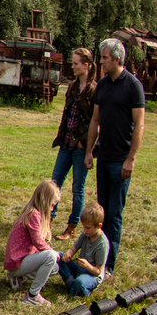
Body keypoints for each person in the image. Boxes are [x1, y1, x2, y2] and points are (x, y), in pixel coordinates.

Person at [83, 37, 146, 277]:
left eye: (105, 58)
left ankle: (108, 266)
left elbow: (139, 124)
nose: (101, 62)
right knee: (102, 212)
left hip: (121, 160)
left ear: (117, 59)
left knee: (115, 214)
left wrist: (131, 159)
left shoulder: (133, 86)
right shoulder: (102, 86)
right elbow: (95, 120)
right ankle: (97, 258)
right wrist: (90, 151)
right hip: (104, 158)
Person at [49, 47, 96, 240]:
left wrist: (88, 150)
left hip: (81, 147)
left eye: (76, 63)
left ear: (86, 65)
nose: (72, 66)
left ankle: (72, 226)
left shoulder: (94, 91)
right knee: (55, 182)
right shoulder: (73, 87)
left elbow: (95, 123)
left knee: (78, 187)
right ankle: (48, 220)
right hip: (66, 143)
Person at [5, 179, 62, 306]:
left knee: (54, 268)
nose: (52, 210)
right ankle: (32, 295)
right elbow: (38, 242)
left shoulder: (33, 213)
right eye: (52, 205)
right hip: (17, 263)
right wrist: (53, 252)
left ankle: (18, 278)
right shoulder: (34, 215)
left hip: (20, 262)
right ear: (44, 202)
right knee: (50, 257)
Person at [56, 202, 109, 296]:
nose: (84, 230)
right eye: (83, 226)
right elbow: (73, 249)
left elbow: (97, 271)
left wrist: (87, 266)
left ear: (99, 226)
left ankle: (76, 287)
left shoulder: (102, 244)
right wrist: (68, 253)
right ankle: (73, 286)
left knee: (80, 282)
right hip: (79, 268)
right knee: (58, 256)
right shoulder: (85, 234)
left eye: (88, 228)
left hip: (91, 275)